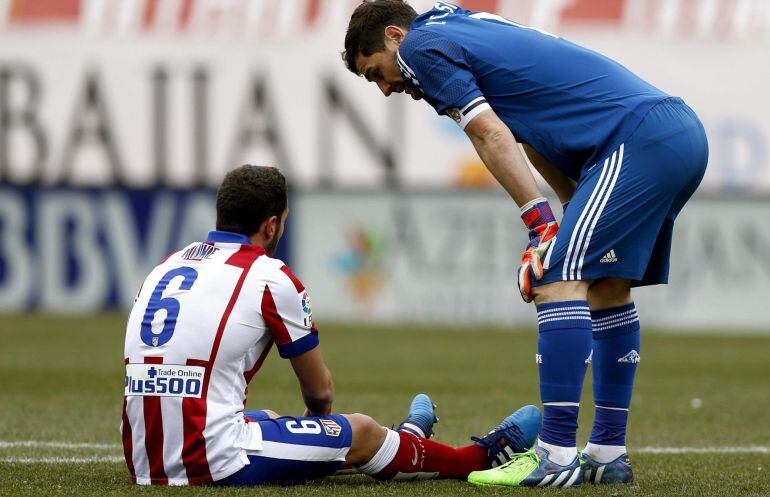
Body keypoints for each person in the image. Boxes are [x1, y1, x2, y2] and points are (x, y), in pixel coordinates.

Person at [343, 0, 708, 488]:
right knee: (604, 285)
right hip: (671, 133)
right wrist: (565, 212)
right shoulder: (453, 23)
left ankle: (554, 456)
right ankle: (606, 455)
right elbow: (528, 132)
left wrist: (541, 227)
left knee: (554, 278)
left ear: (393, 36)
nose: (386, 88)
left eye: (375, 73)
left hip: (633, 140)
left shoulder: (419, 47)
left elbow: (490, 133)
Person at [121, 164, 541, 486]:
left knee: (266, 418)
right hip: (208, 461)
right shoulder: (271, 277)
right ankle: (474, 457)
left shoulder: (167, 263)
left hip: (143, 455)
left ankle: (406, 443)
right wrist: (327, 431)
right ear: (272, 225)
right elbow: (319, 395)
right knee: (359, 430)